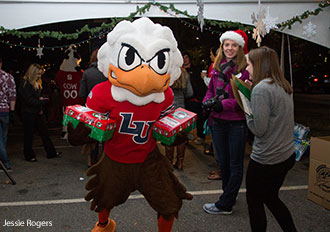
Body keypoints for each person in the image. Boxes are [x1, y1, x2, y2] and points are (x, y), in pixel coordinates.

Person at [245, 46, 297, 231]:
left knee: (254, 202)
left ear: (259, 65)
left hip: (266, 159)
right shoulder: (283, 84)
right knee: (271, 197)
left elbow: (258, 129)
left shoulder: (261, 89)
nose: (247, 68)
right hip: (286, 155)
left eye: (250, 64)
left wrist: (247, 107)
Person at [202, 30, 249, 215]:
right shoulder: (217, 67)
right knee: (223, 163)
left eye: (234, 45)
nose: (229, 48)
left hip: (236, 122)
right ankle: (229, 194)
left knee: (235, 163)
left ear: (240, 48)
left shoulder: (244, 70)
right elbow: (211, 90)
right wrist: (207, 102)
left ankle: (225, 204)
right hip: (217, 122)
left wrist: (222, 105)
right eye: (227, 45)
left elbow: (243, 98)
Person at [19, 63, 61, 162]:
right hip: (28, 113)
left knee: (44, 133)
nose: (39, 76)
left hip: (36, 111)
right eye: (38, 74)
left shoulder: (36, 82)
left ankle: (51, 152)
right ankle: (29, 155)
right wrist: (42, 101)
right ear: (32, 73)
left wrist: (40, 100)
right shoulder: (25, 84)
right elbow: (28, 100)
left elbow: (33, 98)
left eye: (40, 74)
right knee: (29, 135)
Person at [79, 46, 108, 167]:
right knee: (107, 136)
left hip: (92, 109)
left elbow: (81, 93)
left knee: (93, 136)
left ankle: (92, 161)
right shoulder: (108, 73)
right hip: (107, 108)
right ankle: (106, 161)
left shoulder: (86, 73)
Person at [164, 65, 193, 170]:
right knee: (181, 138)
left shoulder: (165, 72)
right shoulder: (184, 74)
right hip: (181, 111)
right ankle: (180, 163)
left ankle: (169, 163)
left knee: (169, 138)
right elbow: (190, 93)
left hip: (168, 108)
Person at [183, 51, 207, 145]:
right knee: (185, 120)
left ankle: (201, 136)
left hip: (196, 99)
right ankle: (186, 137)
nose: (185, 59)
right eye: (183, 57)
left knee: (199, 119)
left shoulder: (196, 70)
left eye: (186, 57)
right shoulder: (179, 71)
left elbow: (201, 85)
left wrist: (200, 97)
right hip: (185, 99)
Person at [0, 56, 16, 171]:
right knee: (3, 137)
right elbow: (12, 95)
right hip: (4, 110)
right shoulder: (8, 77)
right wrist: (12, 110)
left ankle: (5, 162)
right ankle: (4, 161)